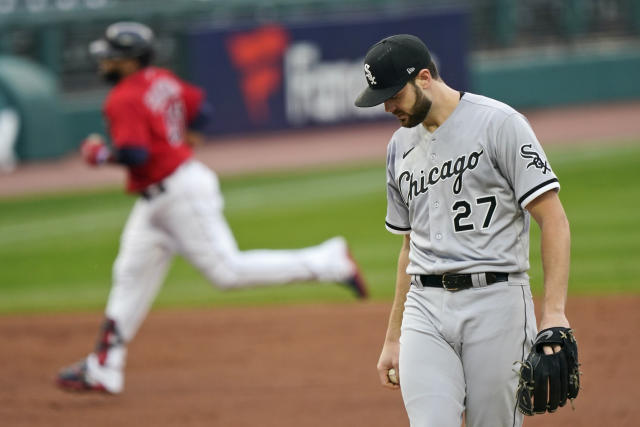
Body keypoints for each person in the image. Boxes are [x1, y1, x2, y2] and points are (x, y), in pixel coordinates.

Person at [56, 22, 368, 394]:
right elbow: (202, 109)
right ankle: (104, 367)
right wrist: (185, 137)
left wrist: (99, 154)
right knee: (129, 275)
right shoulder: (161, 79)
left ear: (129, 60)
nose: (104, 61)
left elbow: (136, 154)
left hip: (178, 194)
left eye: (111, 55)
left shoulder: (124, 97)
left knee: (227, 272)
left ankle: (328, 261)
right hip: (161, 197)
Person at [355, 34, 573, 427]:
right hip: (424, 309)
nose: (387, 107)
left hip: (498, 304)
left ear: (424, 78)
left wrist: (553, 313)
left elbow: (553, 219)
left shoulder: (499, 124)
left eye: (393, 95)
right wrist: (392, 337)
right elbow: (410, 245)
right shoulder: (397, 147)